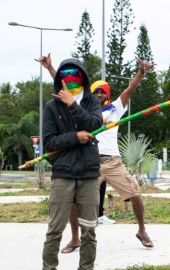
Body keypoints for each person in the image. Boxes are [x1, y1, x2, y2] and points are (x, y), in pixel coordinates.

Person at [37, 54, 155, 251]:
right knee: (74, 201)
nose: (99, 95)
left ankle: (142, 230)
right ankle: (76, 238)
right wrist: (51, 69)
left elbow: (130, 89)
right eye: (96, 92)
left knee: (134, 194)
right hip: (90, 161)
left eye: (103, 92)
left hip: (113, 161)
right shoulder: (83, 106)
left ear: (107, 94)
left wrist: (141, 72)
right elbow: (66, 86)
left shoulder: (115, 108)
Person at [34, 58, 103, 270]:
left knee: (89, 228)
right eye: (66, 73)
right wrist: (75, 137)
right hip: (63, 173)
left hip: (89, 173)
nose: (71, 77)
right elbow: (49, 142)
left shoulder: (92, 100)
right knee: (55, 228)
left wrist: (73, 104)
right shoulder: (52, 106)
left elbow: (95, 124)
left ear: (83, 76)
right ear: (60, 78)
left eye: (76, 73)